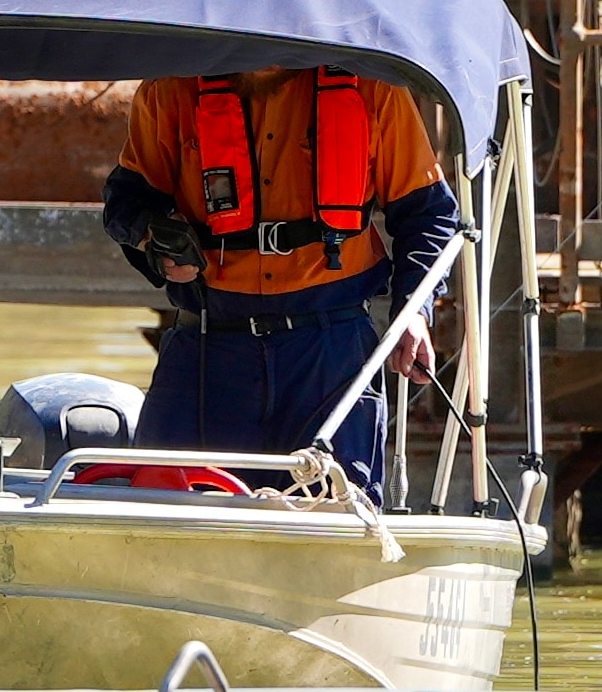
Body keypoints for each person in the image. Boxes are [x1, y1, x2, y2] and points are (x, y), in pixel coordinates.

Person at [101, 66, 457, 495]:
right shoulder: (170, 86)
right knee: (165, 513)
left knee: (337, 522)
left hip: (330, 353)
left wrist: (414, 311)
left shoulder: (373, 87)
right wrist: (156, 239)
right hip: (207, 350)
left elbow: (429, 213)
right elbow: (126, 203)